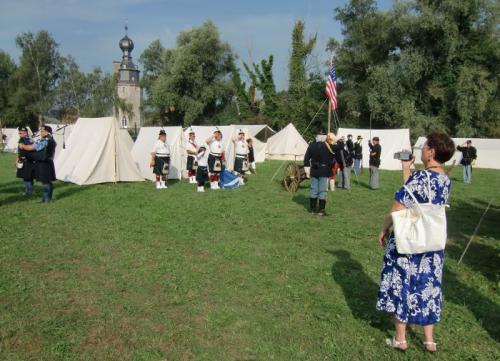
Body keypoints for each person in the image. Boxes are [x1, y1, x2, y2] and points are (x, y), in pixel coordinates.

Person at [376, 132, 455, 353]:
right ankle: (429, 340)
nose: (421, 149)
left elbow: (401, 206)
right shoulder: (444, 180)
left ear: (431, 152)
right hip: (431, 243)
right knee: (428, 288)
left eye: (425, 146)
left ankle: (401, 338)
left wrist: (384, 227)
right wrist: (406, 169)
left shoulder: (421, 178)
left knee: (403, 284)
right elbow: (419, 198)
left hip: (410, 242)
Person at [19, 125, 57, 202]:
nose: (41, 132)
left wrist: (22, 146)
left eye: (43, 131)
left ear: (47, 132)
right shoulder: (49, 140)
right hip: (46, 162)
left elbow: (31, 148)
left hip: (45, 163)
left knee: (46, 182)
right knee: (45, 181)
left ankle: (46, 199)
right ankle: (45, 198)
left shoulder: (45, 141)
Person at [303, 132, 336, 215]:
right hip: (324, 170)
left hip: (314, 170)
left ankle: (312, 209)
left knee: (313, 189)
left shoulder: (311, 145)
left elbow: (306, 158)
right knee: (322, 191)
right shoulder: (328, 146)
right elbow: (332, 160)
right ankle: (321, 211)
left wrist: (307, 170)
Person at [15, 126, 35, 196]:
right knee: (29, 177)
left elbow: (19, 151)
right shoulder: (31, 139)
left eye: (21, 133)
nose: (20, 134)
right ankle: (30, 190)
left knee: (26, 177)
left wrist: (17, 160)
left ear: (25, 133)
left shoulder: (22, 140)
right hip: (31, 160)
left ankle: (28, 192)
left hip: (25, 160)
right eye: (19, 133)